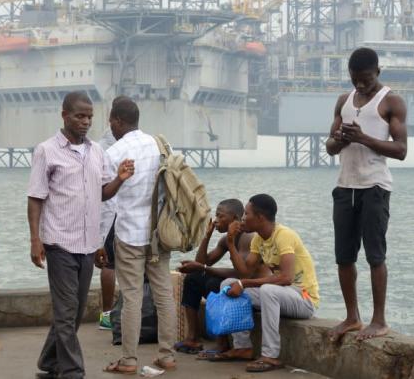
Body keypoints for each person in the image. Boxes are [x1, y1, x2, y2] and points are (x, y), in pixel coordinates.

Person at [28, 91, 134, 379]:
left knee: (74, 313)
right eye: (79, 115)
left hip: (87, 245)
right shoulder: (46, 151)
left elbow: (102, 194)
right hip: (58, 242)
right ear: (64, 115)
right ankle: (73, 371)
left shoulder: (96, 152)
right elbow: (36, 198)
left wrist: (120, 180)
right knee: (65, 312)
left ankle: (49, 361)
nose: (85, 121)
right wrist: (35, 239)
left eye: (89, 116)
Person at [325, 47, 408, 342]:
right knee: (343, 257)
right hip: (345, 185)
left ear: (378, 72)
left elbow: (401, 150)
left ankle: (379, 320)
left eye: (367, 79)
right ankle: (352, 317)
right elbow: (329, 148)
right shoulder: (343, 101)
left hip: (375, 187)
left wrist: (363, 138)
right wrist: (341, 139)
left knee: (375, 255)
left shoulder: (391, 101)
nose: (360, 85)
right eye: (355, 79)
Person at [102, 96, 178, 374]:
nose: (109, 126)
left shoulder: (113, 153)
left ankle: (129, 360)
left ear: (119, 121)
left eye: (111, 120)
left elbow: (107, 202)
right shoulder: (159, 145)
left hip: (129, 234)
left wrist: (101, 241)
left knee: (131, 297)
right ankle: (167, 355)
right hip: (159, 234)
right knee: (164, 294)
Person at [217, 194, 319, 373]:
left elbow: (286, 278)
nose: (242, 219)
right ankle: (243, 347)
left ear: (260, 217)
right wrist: (231, 243)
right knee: (227, 284)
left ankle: (270, 355)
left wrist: (245, 283)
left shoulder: (284, 235)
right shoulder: (258, 239)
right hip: (281, 295)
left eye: (246, 214)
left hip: (303, 298)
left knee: (267, 290)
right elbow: (245, 272)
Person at [175, 199, 270, 358]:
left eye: (221, 216)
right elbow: (202, 262)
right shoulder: (226, 240)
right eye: (216, 216)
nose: (216, 220)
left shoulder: (248, 238)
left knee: (214, 283)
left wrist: (203, 268)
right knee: (193, 278)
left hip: (252, 287)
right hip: (237, 283)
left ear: (234, 218)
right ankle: (192, 338)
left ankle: (222, 344)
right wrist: (207, 236)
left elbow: (242, 274)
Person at [95, 127, 118, 330]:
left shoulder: (97, 148)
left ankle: (107, 314)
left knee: (107, 264)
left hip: (102, 214)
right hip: (119, 212)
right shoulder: (122, 147)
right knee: (111, 265)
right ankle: (110, 316)